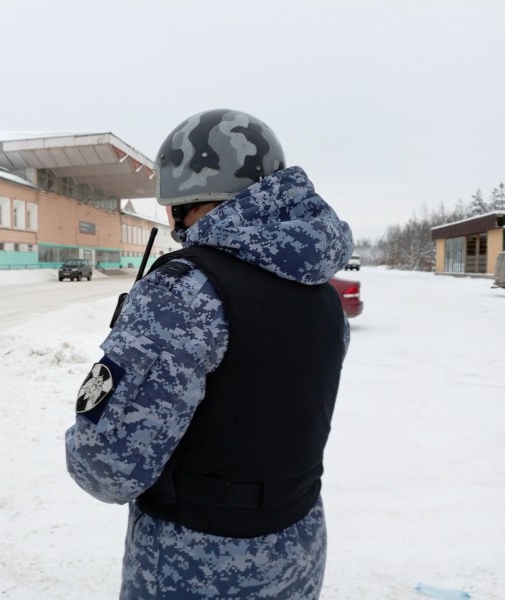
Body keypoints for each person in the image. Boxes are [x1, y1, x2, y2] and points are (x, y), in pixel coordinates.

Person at [65, 108, 353, 599]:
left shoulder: (184, 292)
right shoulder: (321, 292)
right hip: (298, 549)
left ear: (187, 197)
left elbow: (108, 468)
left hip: (195, 564)